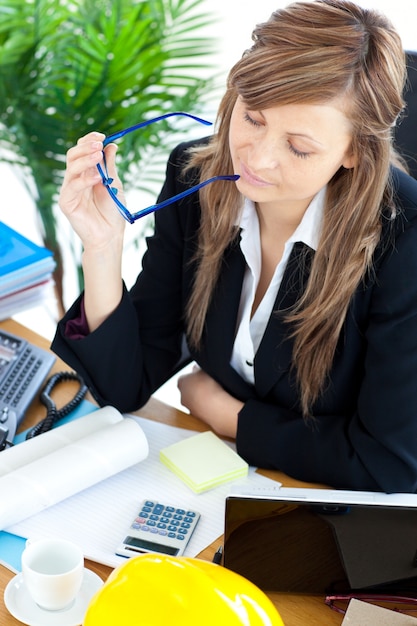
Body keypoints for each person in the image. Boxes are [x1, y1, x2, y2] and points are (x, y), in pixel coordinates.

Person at [52, 0, 417, 493]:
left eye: (299, 147)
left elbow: (391, 462)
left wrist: (230, 416)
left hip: (325, 507)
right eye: (252, 118)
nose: (258, 159)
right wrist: (100, 246)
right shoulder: (196, 179)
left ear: (354, 151)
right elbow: (122, 385)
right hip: (219, 480)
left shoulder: (404, 240)